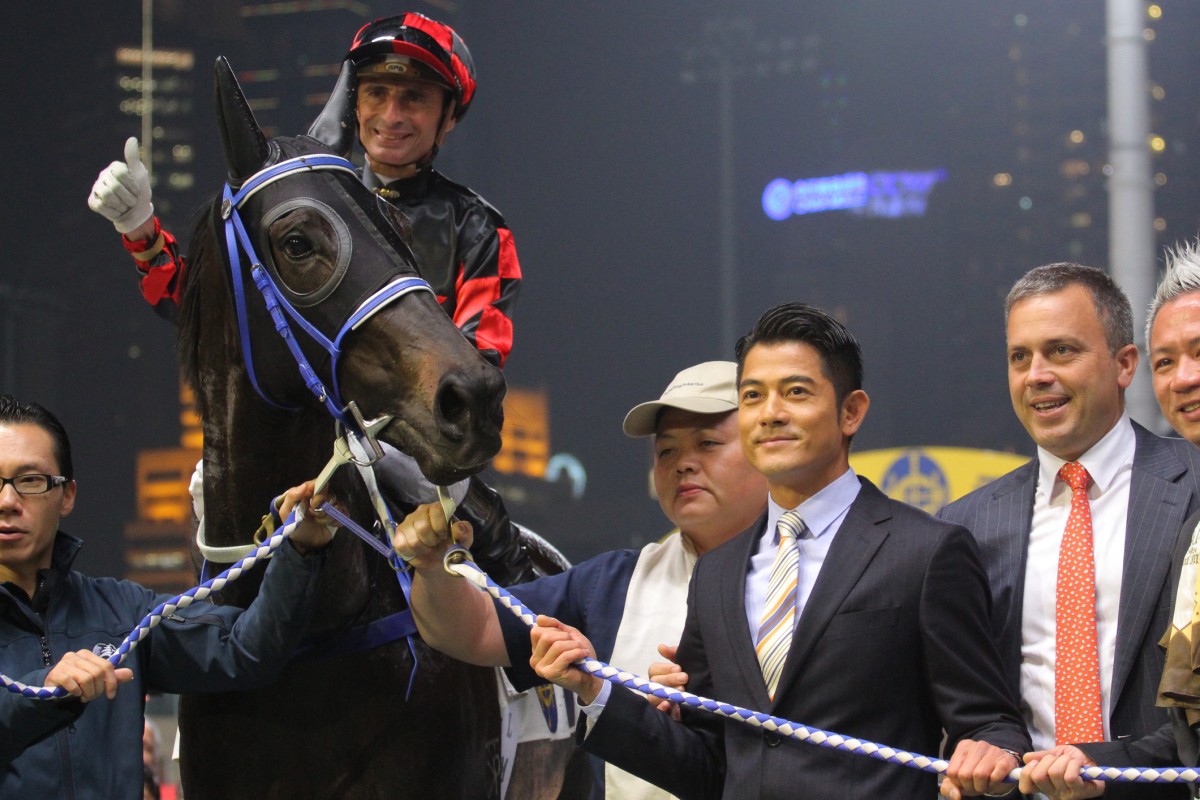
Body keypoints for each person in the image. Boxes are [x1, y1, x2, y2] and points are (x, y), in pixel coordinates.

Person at [528, 302, 1031, 800]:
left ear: (850, 412)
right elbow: (707, 767)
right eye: (752, 396)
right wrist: (596, 692)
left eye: (795, 392)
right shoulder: (718, 573)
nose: (770, 414)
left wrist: (993, 752)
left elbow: (990, 723)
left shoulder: (926, 550)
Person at [392, 360, 769, 799]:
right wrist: (435, 566)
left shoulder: (826, 575)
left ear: (767, 449)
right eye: (666, 451)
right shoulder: (614, 583)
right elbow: (473, 629)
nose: (684, 464)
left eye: (708, 443)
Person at [88, 11, 520, 368]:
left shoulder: (478, 227)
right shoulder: (305, 199)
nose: (391, 115)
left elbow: (474, 367)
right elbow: (212, 312)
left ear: (449, 117)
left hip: (412, 454)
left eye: (414, 98)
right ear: (355, 103)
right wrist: (139, 226)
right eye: (377, 93)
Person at [937, 263, 1200, 799]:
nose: (1036, 374)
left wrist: (1101, 765)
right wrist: (991, 749)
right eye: (1020, 357)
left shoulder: (1195, 480)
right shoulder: (963, 525)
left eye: (1061, 351)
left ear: (1125, 364)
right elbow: (971, 704)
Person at [0, 394, 334, 798]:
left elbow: (244, 649)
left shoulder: (119, 611)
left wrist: (299, 550)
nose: (7, 502)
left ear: (67, 495)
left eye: (30, 481)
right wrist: (44, 691)